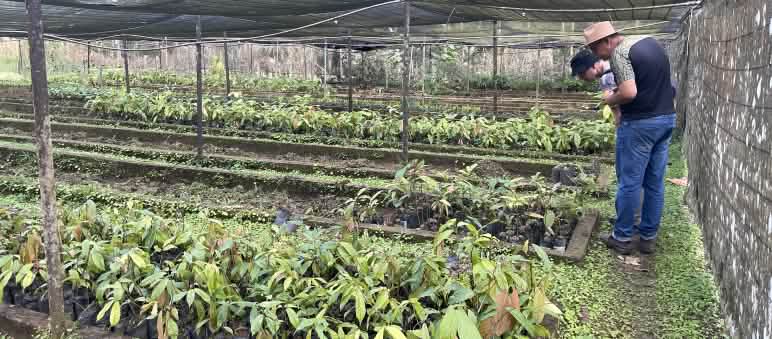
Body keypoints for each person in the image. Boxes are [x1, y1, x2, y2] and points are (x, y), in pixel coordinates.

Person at [583, 21, 676, 255]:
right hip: (666, 119)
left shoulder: (620, 53)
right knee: (654, 183)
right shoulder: (651, 43)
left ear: (606, 41)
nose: (597, 55)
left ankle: (622, 237)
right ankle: (647, 238)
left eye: (595, 49)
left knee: (629, 182)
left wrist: (609, 100)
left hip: (640, 125)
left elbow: (629, 92)